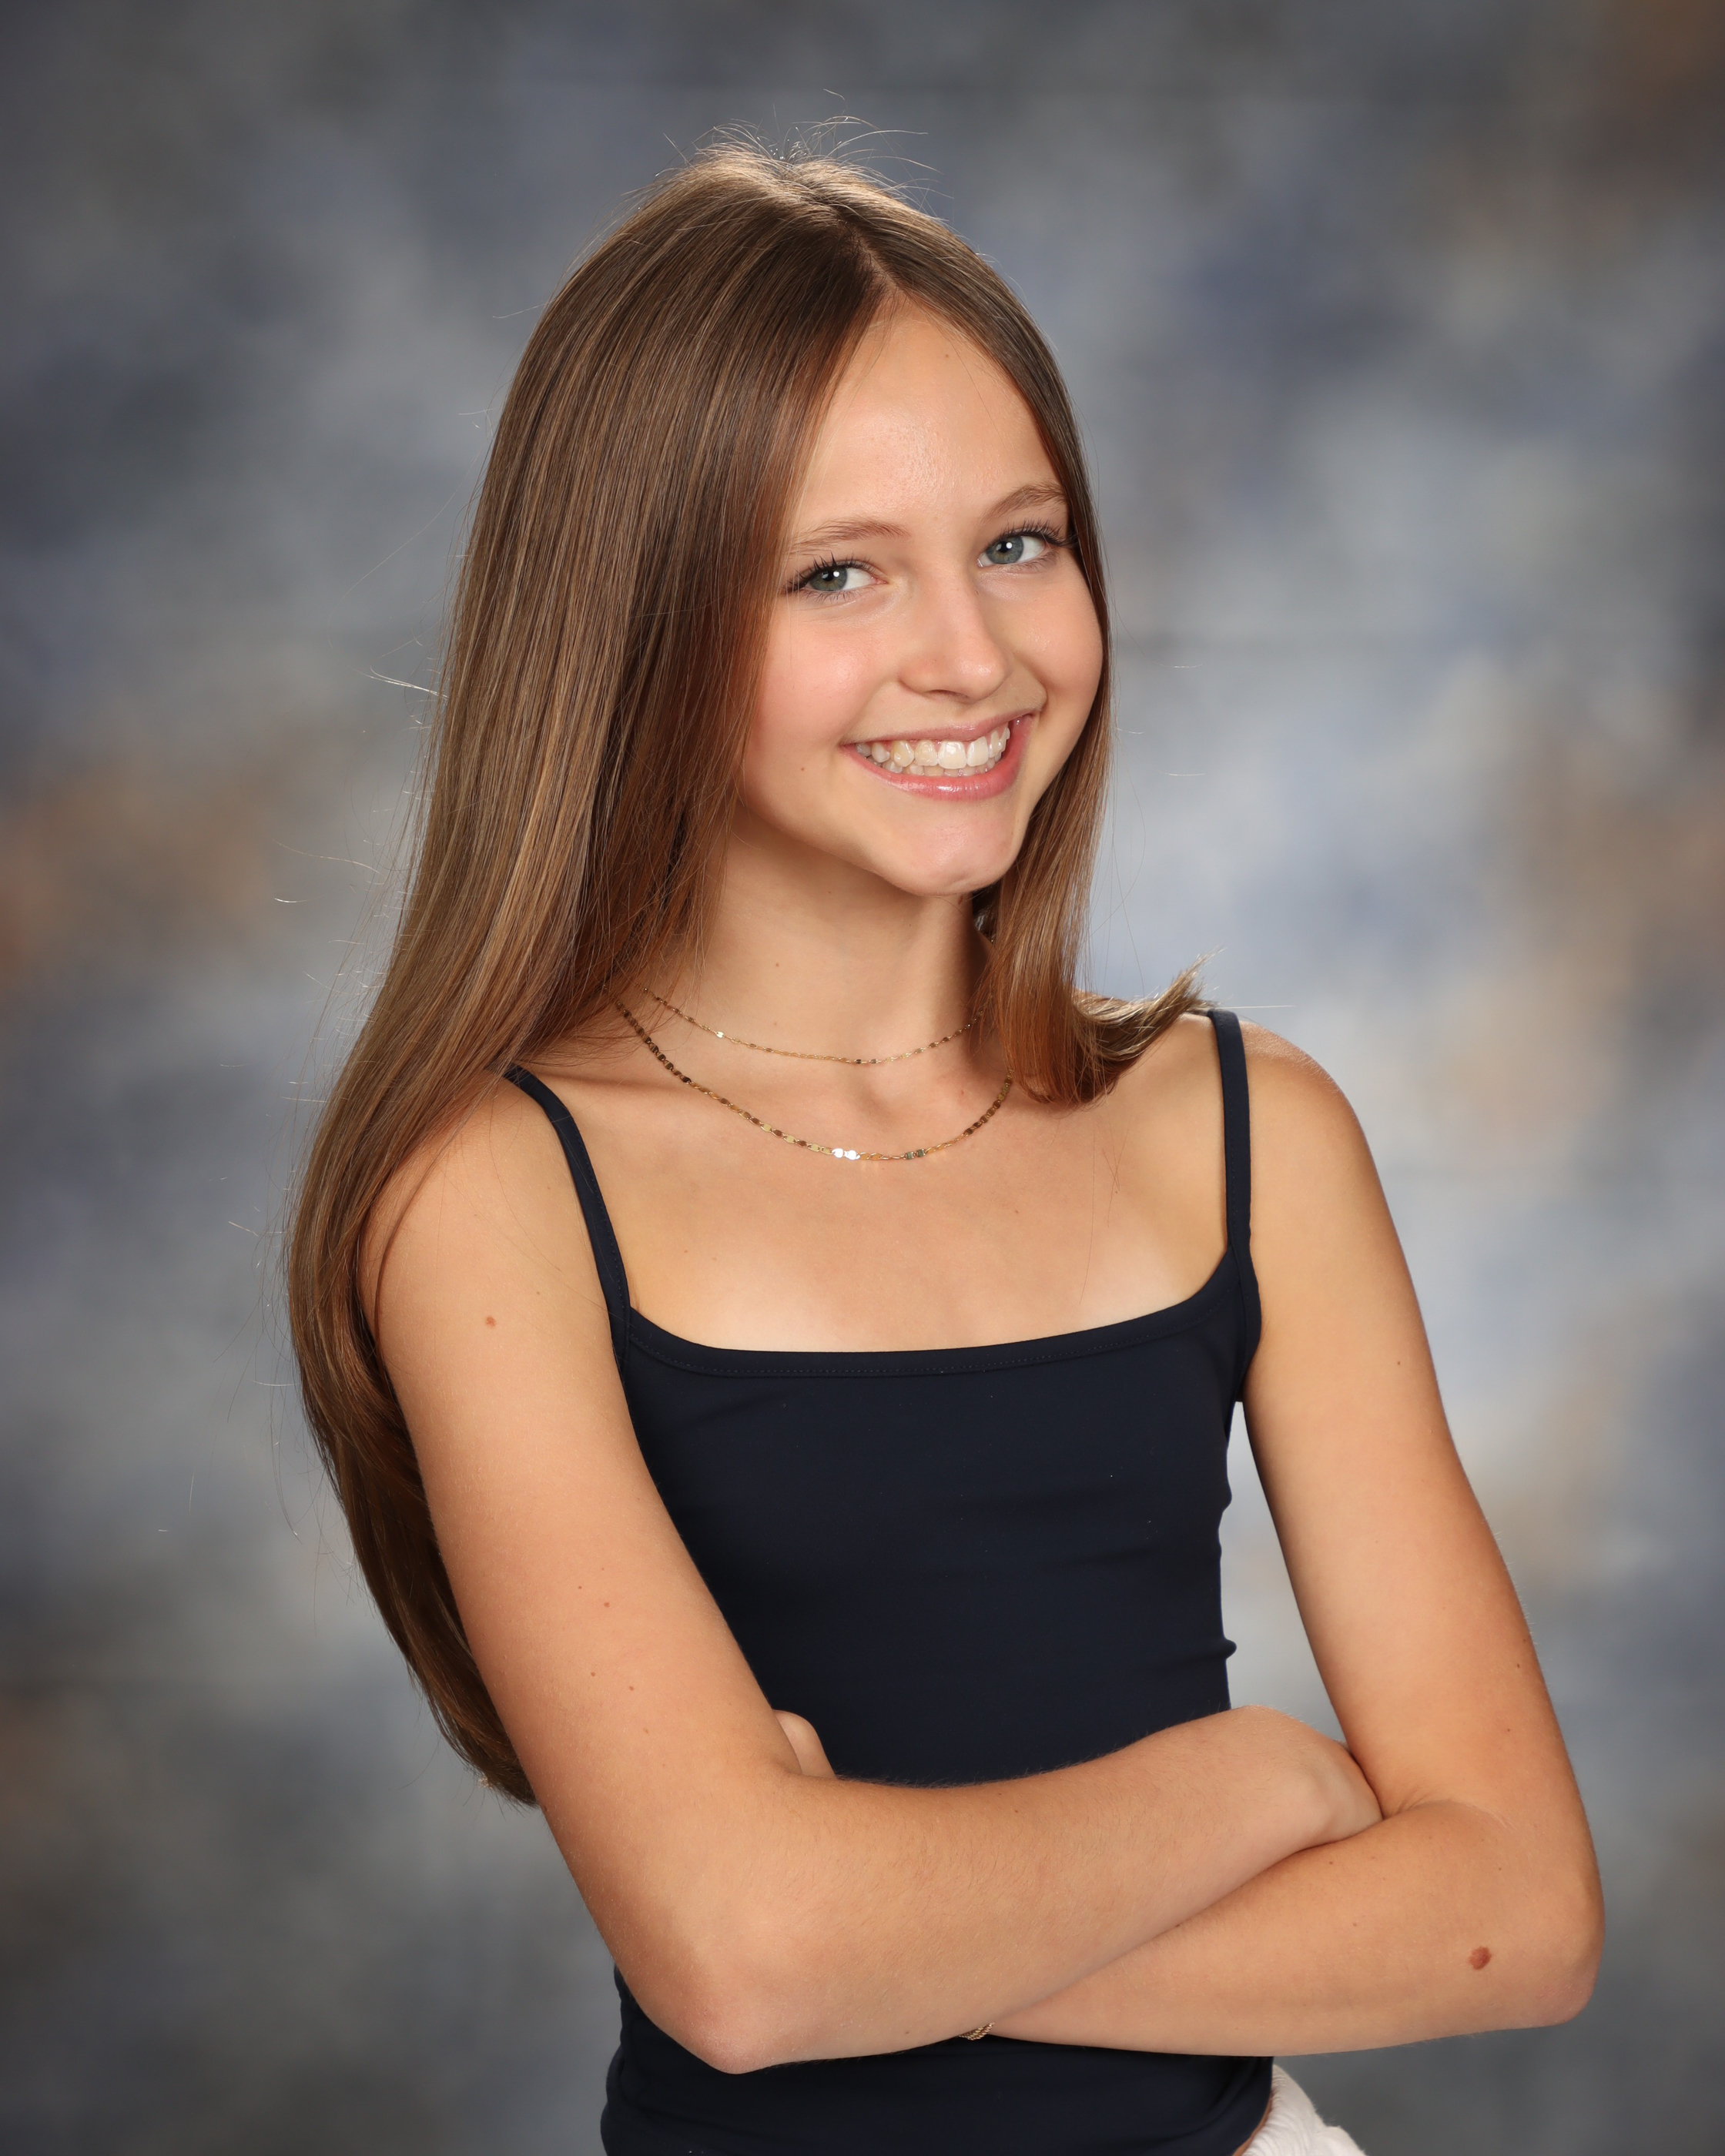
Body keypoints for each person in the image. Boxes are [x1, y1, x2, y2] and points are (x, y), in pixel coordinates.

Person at [288, 146, 1603, 2156]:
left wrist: (879, 1932)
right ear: (636, 627)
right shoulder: (494, 1194)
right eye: (839, 572)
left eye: (1018, 543)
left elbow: (1516, 1919)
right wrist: (1250, 1785)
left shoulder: (1248, 1135)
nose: (973, 657)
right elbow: (744, 1964)